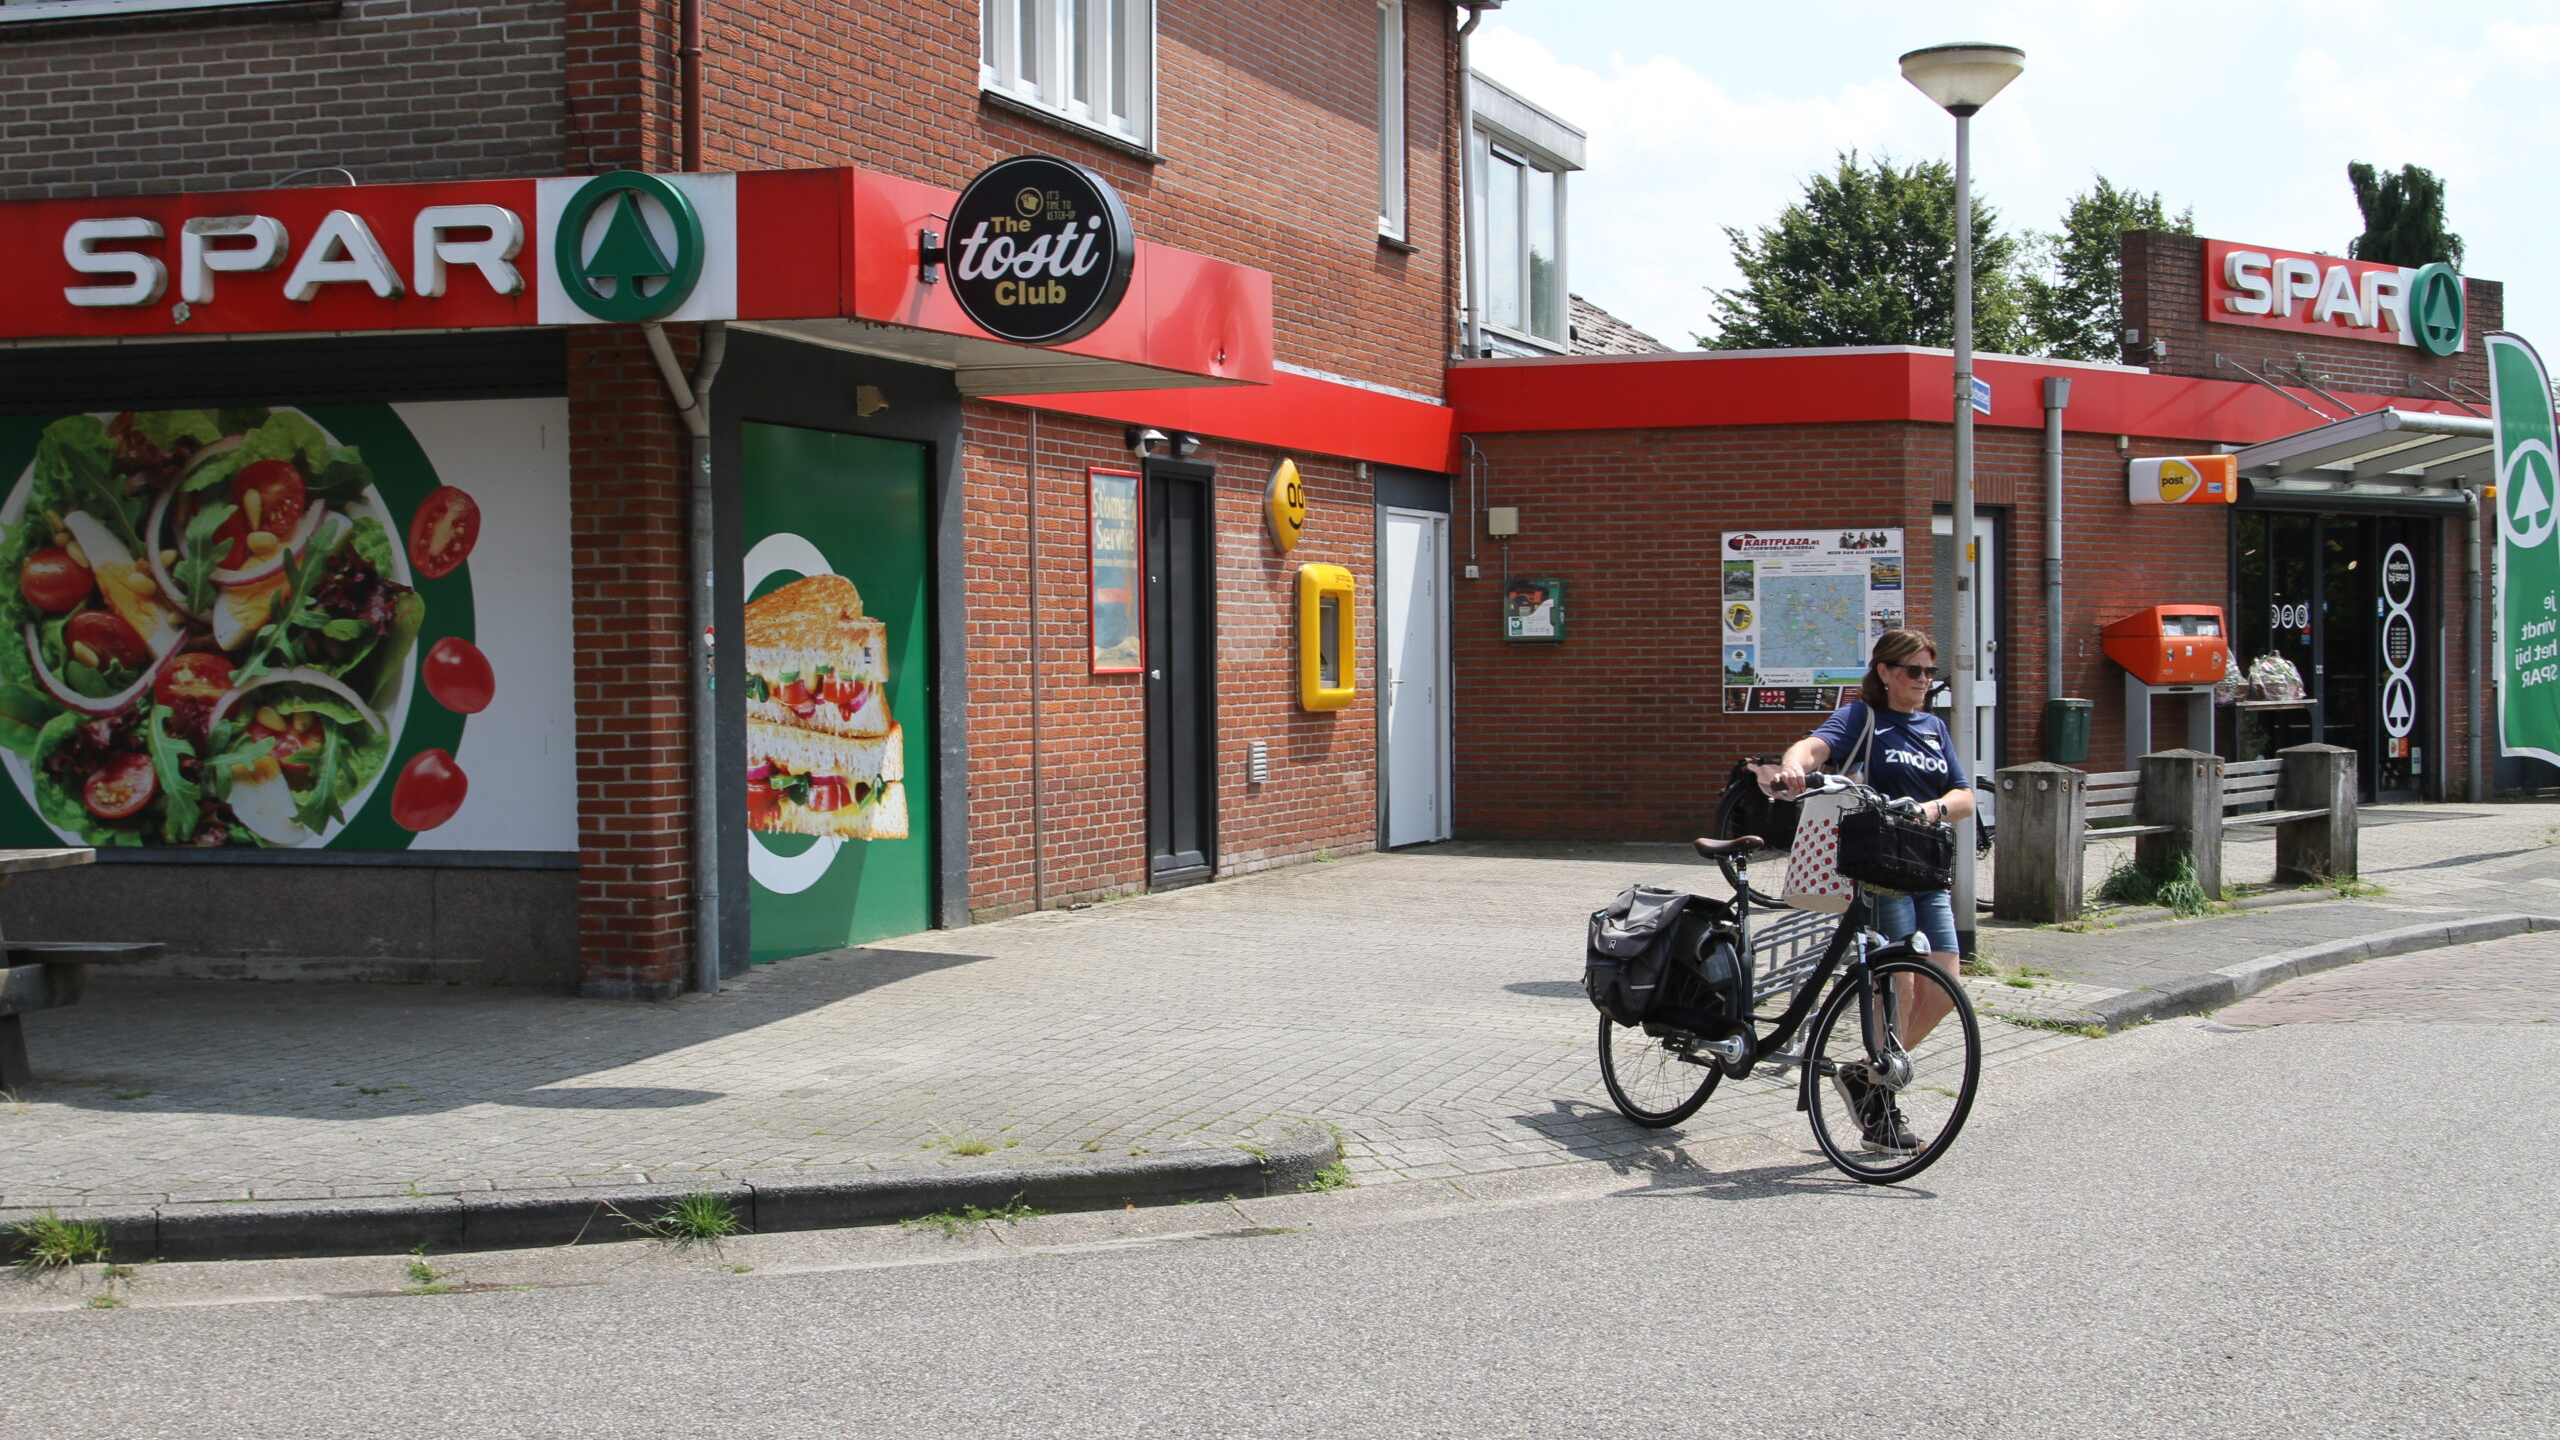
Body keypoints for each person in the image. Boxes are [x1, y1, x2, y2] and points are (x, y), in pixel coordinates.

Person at [1769, 628, 1975, 1155]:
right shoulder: (1864, 717)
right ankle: (1880, 1103)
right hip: (1880, 863)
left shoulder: (1933, 728)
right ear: (1885, 672)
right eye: (1914, 671)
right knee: (1898, 980)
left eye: (1931, 672)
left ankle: (1866, 1073)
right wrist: (1795, 765)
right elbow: (1816, 745)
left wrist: (1929, 809)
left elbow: (1964, 795)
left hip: (1926, 862)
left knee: (1946, 981)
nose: (1924, 682)